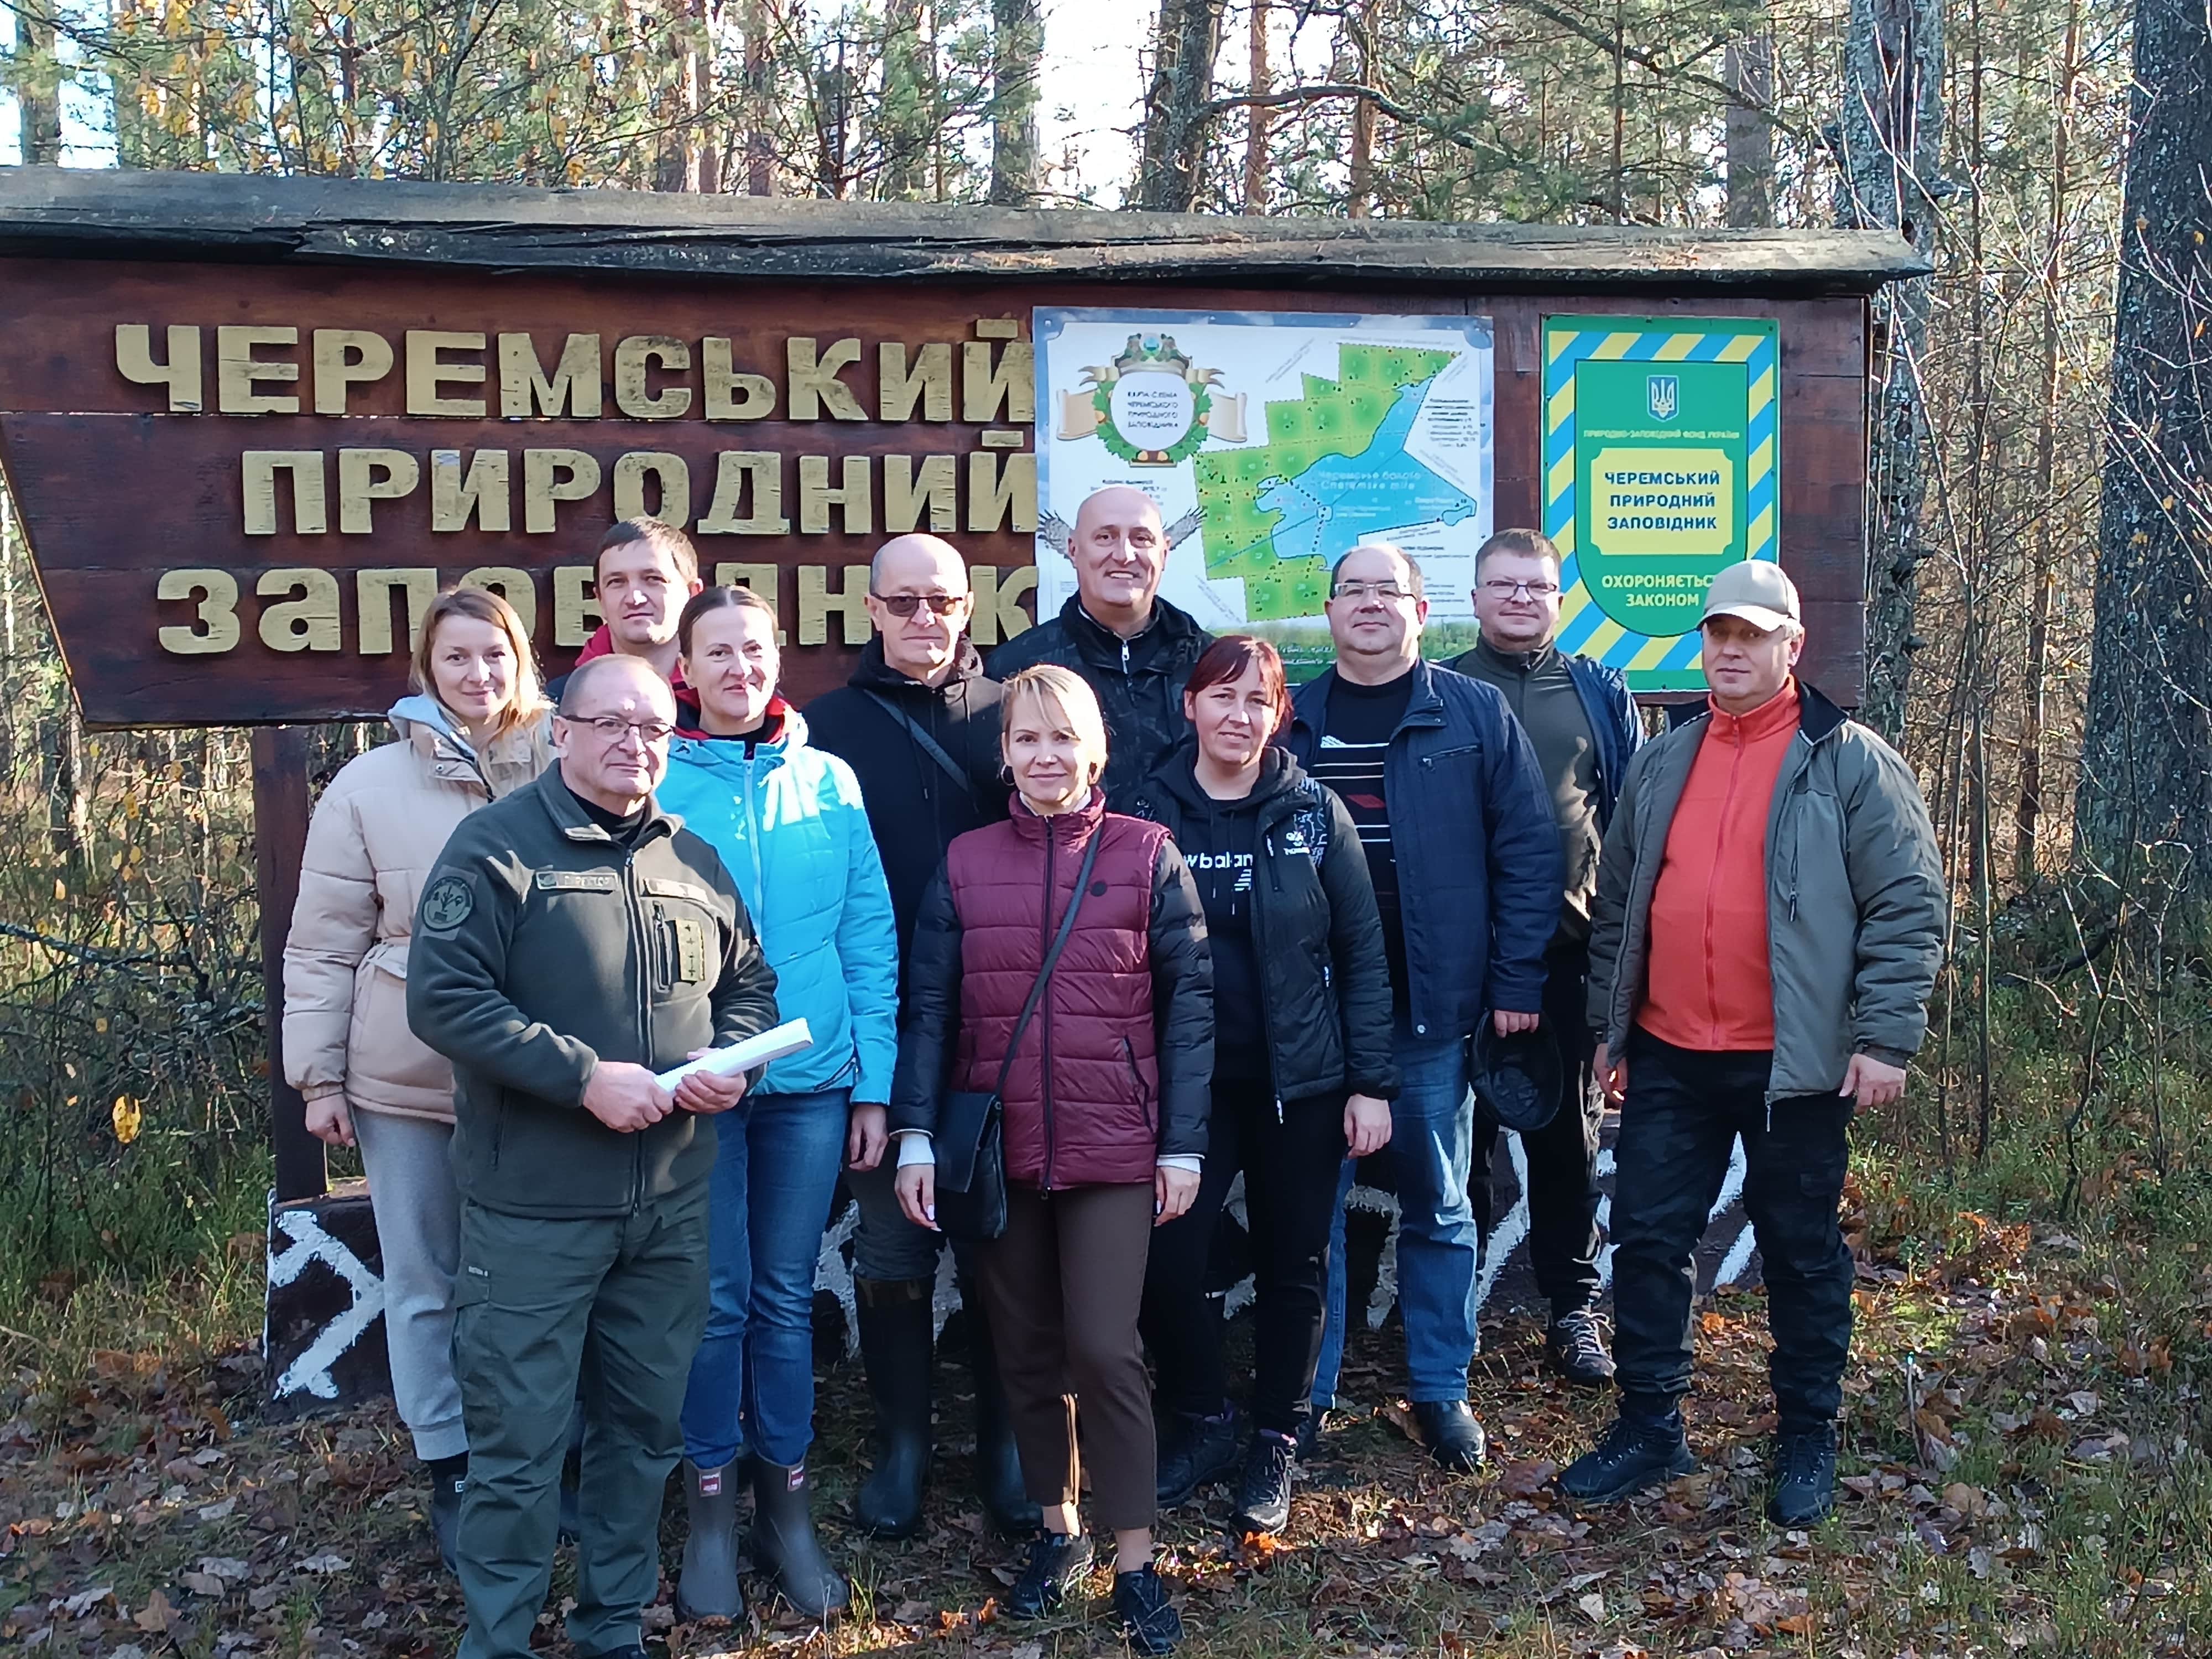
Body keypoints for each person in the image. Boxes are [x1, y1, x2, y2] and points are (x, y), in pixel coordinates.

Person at [406, 653, 781, 1659]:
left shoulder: (690, 857)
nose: (633, 744)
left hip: (669, 1203)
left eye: (654, 727)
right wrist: (580, 1076)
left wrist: (729, 1063)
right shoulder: (496, 849)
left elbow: (751, 985)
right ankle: (498, 1640)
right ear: (560, 732)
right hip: (535, 1206)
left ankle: (613, 1629)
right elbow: (445, 1000)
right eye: (610, 723)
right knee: (519, 1448)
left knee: (643, 1433)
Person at [1558, 561, 1944, 1525]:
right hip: (1671, 1053)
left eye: (1751, 636)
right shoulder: (1666, 755)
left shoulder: (1849, 759)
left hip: (1796, 1067)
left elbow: (1908, 906)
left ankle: (1806, 1434)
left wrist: (1886, 1040)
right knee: (1649, 1241)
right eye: (1718, 635)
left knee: (1801, 1252)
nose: (1730, 651)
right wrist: (1615, 1027)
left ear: (1791, 647)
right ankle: (1650, 1424)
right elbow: (1622, 907)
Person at [890, 665, 1212, 1656]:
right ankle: (1058, 1528)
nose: (1045, 757)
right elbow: (931, 1010)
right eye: (1027, 741)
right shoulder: (965, 861)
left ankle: (1136, 1557)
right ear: (1007, 755)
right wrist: (913, 1134)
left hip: (1116, 1142)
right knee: (1022, 1348)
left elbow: (1190, 1006)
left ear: (1096, 749)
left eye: (1062, 738)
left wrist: (1184, 1143)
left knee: (1107, 1349)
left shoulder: (1147, 854)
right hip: (997, 1149)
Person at [283, 587, 551, 1569]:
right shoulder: (366, 788)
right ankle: (450, 1461)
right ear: (425, 671)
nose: (478, 675)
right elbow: (321, 946)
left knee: (534, 1281)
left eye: (495, 655)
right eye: (456, 659)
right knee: (426, 1276)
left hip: (543, 1073)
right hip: (407, 1075)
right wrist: (317, 1078)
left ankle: (535, 1455)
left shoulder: (570, 760)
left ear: (520, 660)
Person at [1290, 542, 1561, 1473]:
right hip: (1312, 1020)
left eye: (1388, 591)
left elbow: (1530, 851)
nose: (1370, 605)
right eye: (1352, 589)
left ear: (1421, 609)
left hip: (1431, 1015)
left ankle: (1442, 1389)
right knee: (1307, 1212)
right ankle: (1306, 1394)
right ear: (1328, 612)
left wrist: (1519, 981)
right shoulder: (1291, 718)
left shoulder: (1472, 713)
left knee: (1441, 1206)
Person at [659, 586, 898, 1620]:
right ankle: (709, 1504)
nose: (739, 669)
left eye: (754, 650)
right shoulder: (655, 775)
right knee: (714, 1304)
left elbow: (868, 938)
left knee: (784, 1301)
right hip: (700, 1088)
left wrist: (875, 1087)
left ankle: (784, 1504)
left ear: (777, 660)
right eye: (718, 652)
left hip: (811, 1084)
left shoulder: (830, 781)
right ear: (687, 665)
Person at [1130, 635, 1397, 1535]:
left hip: (1303, 1085)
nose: (1238, 717)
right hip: (1188, 1087)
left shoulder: (1315, 813)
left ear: (1280, 715)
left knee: (1297, 1266)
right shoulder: (1145, 809)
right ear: (1191, 706)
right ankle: (1204, 1417)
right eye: (1222, 697)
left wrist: (1370, 1083)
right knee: (1165, 1260)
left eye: (1258, 702)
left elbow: (1362, 953)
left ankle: (1276, 1437)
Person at [802, 533, 1032, 1538]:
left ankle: (1004, 1441)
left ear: (969, 605)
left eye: (943, 601)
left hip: (1005, 1026)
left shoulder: (1016, 716)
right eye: (906, 603)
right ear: (872, 608)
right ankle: (903, 1441)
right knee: (892, 1243)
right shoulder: (823, 729)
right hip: (883, 1029)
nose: (926, 619)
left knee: (996, 1242)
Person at [1447, 529, 1645, 1385]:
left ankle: (1574, 1312)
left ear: (1558, 598)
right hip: (1456, 967)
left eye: (1537, 587)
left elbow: (1632, 825)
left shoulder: (1598, 691)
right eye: (1504, 585)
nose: (1521, 600)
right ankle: (1456, 1320)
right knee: (1463, 1150)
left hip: (1567, 961)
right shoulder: (1443, 688)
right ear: (1477, 595)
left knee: (1567, 1147)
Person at [989, 485, 1213, 807]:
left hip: (1192, 858)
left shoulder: (1211, 667)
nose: (1124, 554)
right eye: (1105, 537)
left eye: (1142, 539)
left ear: (1165, 553)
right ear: (1073, 550)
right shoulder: (1017, 669)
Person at [546, 516, 707, 724]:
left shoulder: (728, 698)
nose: (635, 599)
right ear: (601, 600)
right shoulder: (558, 707)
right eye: (617, 582)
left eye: (653, 579)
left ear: (692, 593)